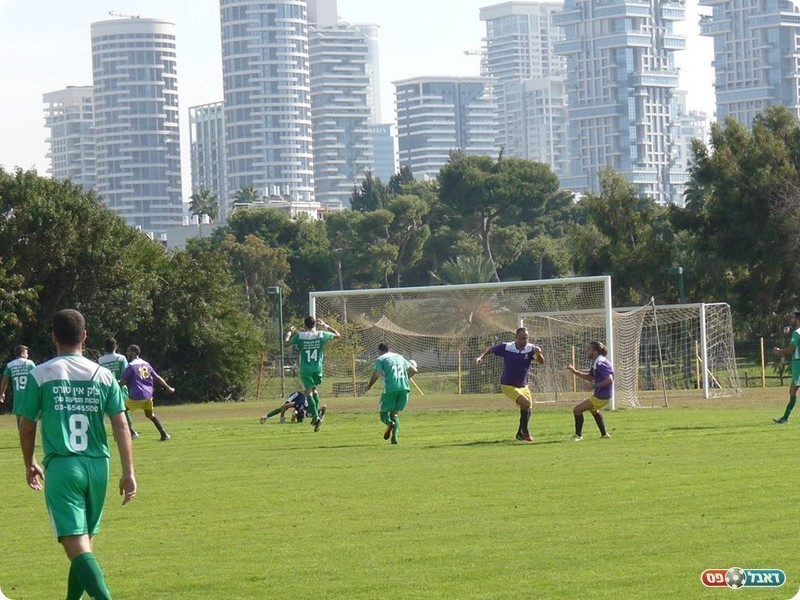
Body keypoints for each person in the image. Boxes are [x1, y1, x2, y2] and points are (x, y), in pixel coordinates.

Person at [16, 309, 136, 600]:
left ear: (53, 337)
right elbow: (121, 424)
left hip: (64, 466)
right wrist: (129, 471)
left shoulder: (41, 373)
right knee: (84, 544)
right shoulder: (103, 375)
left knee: (76, 546)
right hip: (98, 466)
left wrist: (29, 461)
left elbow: (27, 426)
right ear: (84, 336)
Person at [475, 327, 544, 442]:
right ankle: (526, 432)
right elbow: (490, 349)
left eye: (527, 338)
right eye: (523, 338)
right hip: (508, 385)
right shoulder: (507, 347)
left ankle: (519, 434)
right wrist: (480, 357)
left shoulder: (531, 349)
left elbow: (541, 362)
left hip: (524, 386)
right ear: (516, 338)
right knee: (526, 404)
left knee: (528, 409)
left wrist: (538, 353)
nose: (525, 340)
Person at [285, 316, 340, 432]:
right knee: (314, 390)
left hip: (306, 368)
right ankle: (317, 414)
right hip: (318, 367)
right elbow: (338, 335)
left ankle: (315, 417)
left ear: (305, 325)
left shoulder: (300, 336)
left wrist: (290, 332)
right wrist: (325, 325)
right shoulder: (321, 334)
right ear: (315, 325)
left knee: (308, 393)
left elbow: (285, 344)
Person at [363, 343, 418, 445]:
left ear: (379, 351)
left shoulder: (381, 359)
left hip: (390, 389)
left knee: (383, 413)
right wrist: (406, 378)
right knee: (394, 414)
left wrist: (369, 386)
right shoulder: (400, 357)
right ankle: (394, 439)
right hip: (404, 389)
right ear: (390, 349)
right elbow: (414, 370)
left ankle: (389, 423)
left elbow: (376, 373)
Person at [120, 344, 175, 441]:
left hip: (137, 395)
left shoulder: (131, 366)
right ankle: (164, 434)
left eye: (128, 351)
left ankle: (132, 433)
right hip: (148, 395)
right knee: (150, 415)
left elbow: (123, 382)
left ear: (133, 353)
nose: (127, 353)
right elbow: (157, 377)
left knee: (120, 411)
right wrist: (168, 387)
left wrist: (113, 387)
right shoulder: (146, 364)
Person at [566, 341, 614, 441]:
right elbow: (590, 377)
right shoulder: (597, 362)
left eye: (589, 349)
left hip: (602, 396)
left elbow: (609, 379)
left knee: (577, 410)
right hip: (602, 395)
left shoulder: (600, 363)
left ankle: (578, 436)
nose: (587, 351)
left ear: (595, 351)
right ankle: (604, 434)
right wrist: (574, 371)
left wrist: (594, 386)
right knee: (594, 411)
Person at [98, 337, 138, 439]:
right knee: (123, 409)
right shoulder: (121, 358)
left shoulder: (100, 360)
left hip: (106, 388)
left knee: (109, 411)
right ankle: (130, 431)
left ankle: (117, 433)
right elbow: (125, 373)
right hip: (120, 387)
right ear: (115, 346)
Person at [772, 310, 800, 424]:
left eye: (794, 318)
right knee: (792, 390)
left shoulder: (797, 333)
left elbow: (791, 349)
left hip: (798, 364)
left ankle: (785, 418)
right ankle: (784, 418)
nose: (792, 320)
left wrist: (779, 351)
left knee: (793, 391)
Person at [1, 344, 36, 426]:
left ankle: (21, 436)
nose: (27, 355)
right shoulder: (30, 363)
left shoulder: (10, 365)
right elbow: (37, 376)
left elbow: (4, 380)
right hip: (29, 395)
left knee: (19, 421)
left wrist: (2, 393)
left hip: (18, 397)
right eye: (26, 353)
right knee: (30, 420)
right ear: (22, 353)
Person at [259, 389, 325, 424]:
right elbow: (284, 406)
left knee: (284, 408)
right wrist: (282, 417)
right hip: (296, 396)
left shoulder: (309, 409)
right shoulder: (300, 405)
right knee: (283, 408)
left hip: (302, 401)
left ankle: (266, 417)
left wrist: (321, 416)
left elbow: (324, 407)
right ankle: (266, 417)